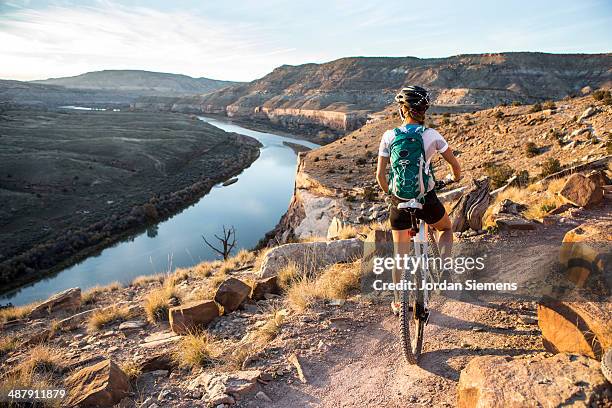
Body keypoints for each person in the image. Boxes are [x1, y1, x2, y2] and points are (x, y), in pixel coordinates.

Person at [375, 85, 461, 315]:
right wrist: (454, 178)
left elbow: (380, 176)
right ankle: (443, 268)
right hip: (426, 198)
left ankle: (397, 302)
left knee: (399, 255)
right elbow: (455, 166)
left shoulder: (389, 136)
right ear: (424, 110)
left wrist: (389, 194)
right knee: (445, 228)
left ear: (403, 110)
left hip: (399, 200)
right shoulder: (432, 135)